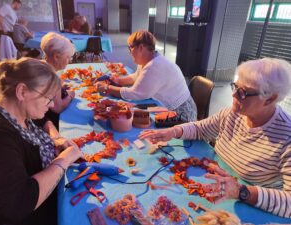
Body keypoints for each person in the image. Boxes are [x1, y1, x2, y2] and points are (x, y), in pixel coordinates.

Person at [139, 57, 291, 218]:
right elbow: (201, 128)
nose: (233, 95)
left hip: (246, 207)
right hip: (212, 184)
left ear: (270, 98)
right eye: (235, 87)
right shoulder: (234, 113)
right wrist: (173, 131)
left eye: (242, 92)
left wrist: (242, 191)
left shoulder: (287, 137)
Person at [0, 58, 83, 225]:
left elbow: (43, 120)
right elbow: (17, 203)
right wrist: (63, 161)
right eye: (48, 98)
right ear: (22, 92)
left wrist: (56, 137)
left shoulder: (15, 109)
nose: (53, 104)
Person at [95, 30, 197, 121]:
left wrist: (107, 88)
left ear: (141, 47)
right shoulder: (149, 59)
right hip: (172, 107)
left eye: (130, 47)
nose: (129, 52)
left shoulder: (154, 66)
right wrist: (118, 81)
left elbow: (134, 94)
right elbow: (136, 77)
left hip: (183, 115)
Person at [40, 32, 76, 129]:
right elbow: (57, 108)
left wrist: (60, 88)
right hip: (47, 121)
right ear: (56, 56)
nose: (69, 61)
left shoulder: (40, 65)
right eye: (68, 57)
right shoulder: (53, 77)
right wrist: (70, 96)